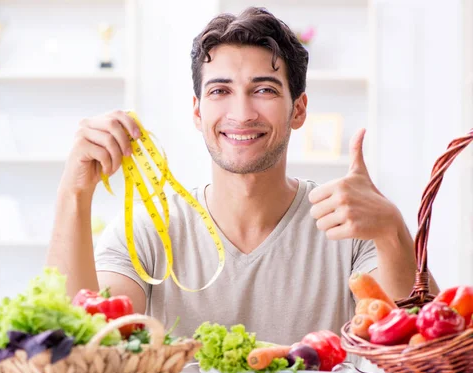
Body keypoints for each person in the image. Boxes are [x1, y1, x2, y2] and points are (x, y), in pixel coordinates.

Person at [46, 6, 439, 344]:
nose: (241, 113)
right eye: (220, 91)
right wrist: (73, 194)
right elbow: (84, 339)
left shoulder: (346, 227)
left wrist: (392, 231)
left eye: (264, 90)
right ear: (198, 112)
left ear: (298, 110)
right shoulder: (149, 228)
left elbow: (423, 346)